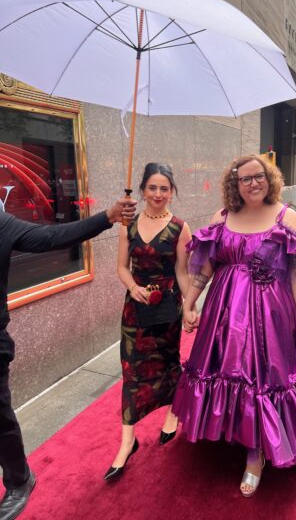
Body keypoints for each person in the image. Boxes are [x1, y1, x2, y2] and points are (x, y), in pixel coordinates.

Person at [172, 155, 296, 497]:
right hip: (224, 317)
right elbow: (204, 267)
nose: (254, 183)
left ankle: (257, 454)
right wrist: (189, 301)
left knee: (266, 380)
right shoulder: (221, 218)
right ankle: (231, 429)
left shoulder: (287, 217)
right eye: (245, 178)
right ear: (234, 185)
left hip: (272, 319)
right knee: (227, 375)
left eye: (260, 176)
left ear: (270, 179)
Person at [0, 197, 137, 520]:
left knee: (0, 417)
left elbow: (52, 238)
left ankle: (19, 481)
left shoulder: (2, 224)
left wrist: (108, 216)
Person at [104, 163, 191, 481]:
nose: (158, 194)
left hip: (168, 308)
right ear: (142, 191)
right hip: (135, 309)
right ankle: (128, 441)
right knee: (132, 371)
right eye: (152, 188)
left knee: (169, 363)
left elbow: (183, 272)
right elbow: (121, 267)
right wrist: (133, 287)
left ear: (172, 192)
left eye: (164, 188)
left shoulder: (181, 227)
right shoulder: (128, 225)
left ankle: (172, 412)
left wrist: (191, 306)